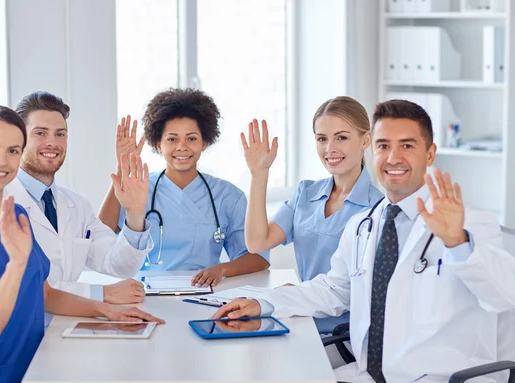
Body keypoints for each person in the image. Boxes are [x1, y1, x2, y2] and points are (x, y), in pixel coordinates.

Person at [213, 100, 515, 383]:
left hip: (438, 378)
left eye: (407, 146)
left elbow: (503, 295)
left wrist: (458, 243)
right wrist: (262, 303)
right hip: (368, 374)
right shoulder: (363, 225)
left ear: (430, 153)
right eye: (384, 146)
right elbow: (332, 290)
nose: (393, 157)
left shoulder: (471, 223)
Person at [0, 106, 163, 383]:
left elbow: (45, 294)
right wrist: (17, 263)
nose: (2, 161)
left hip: (30, 365)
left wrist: (109, 312)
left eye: (13, 150)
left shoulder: (16, 215)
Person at [99, 88, 270, 287]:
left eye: (192, 138)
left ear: (205, 142)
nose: (182, 147)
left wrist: (221, 269)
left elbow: (259, 258)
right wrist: (122, 168)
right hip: (144, 293)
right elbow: (101, 233)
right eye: (172, 139)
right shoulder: (139, 186)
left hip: (206, 293)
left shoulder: (227, 196)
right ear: (157, 144)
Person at [242, 96, 383, 333]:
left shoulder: (377, 209)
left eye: (342, 137)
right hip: (297, 313)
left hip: (342, 333)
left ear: (365, 139)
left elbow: (356, 292)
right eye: (322, 139)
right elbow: (257, 242)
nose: (330, 148)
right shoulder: (306, 194)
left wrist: (293, 295)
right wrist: (259, 174)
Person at [5, 91, 151, 305]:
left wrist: (135, 214)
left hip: (70, 324)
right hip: (22, 330)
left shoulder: (77, 204)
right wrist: (101, 294)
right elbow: (19, 286)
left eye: (60, 134)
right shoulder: (0, 203)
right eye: (40, 133)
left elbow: (119, 265)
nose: (52, 143)